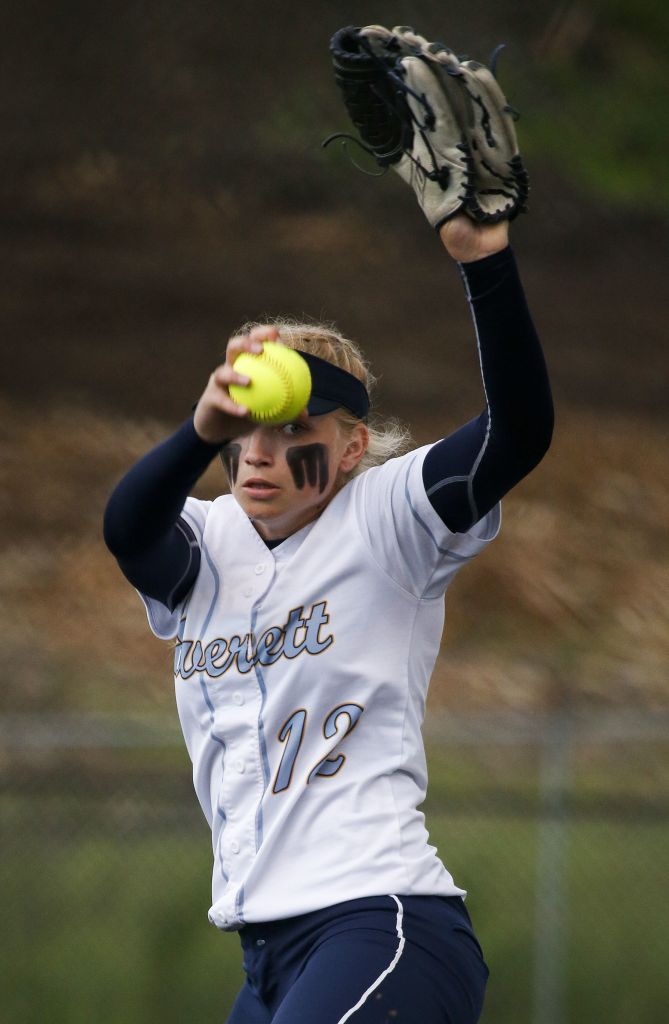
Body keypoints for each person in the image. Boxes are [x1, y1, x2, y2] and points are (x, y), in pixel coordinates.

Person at [103, 212, 553, 1023]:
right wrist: (200, 426)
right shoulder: (208, 539)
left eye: (293, 430)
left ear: (351, 448)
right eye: (243, 431)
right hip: (267, 957)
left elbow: (518, 431)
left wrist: (484, 266)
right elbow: (127, 525)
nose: (261, 453)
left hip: (382, 927)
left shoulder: (387, 520)